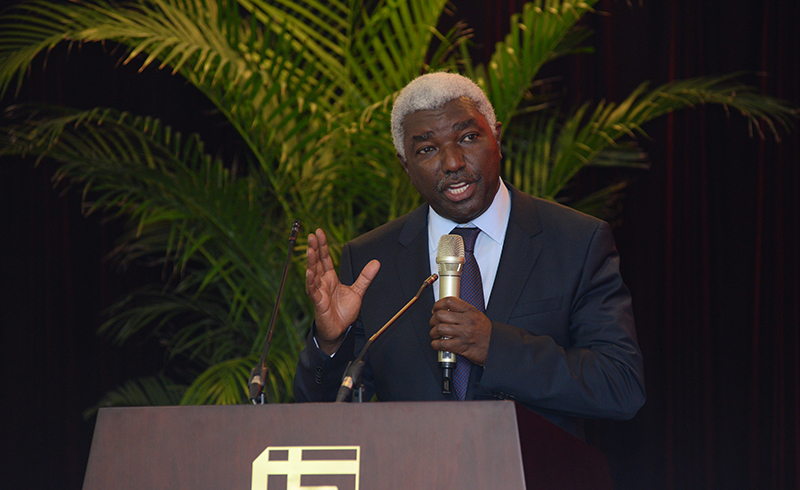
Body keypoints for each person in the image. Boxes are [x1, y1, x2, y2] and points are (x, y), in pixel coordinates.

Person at [293, 72, 645, 438]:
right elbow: (321, 419)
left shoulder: (575, 241)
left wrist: (496, 347)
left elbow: (620, 385)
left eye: (468, 137)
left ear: (497, 138)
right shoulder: (371, 261)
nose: (452, 162)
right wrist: (330, 344)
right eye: (427, 149)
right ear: (406, 166)